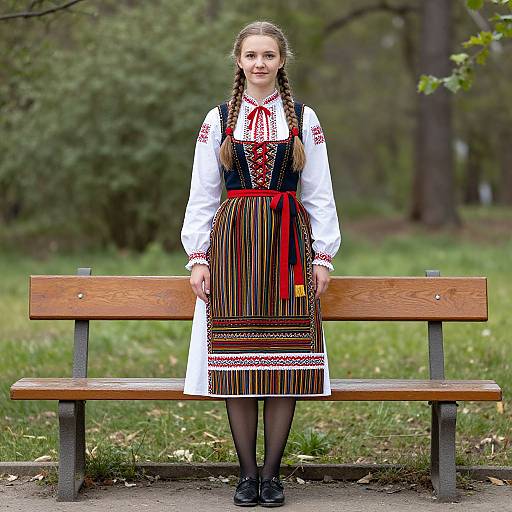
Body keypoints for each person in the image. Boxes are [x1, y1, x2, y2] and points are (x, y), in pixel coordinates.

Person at [180, 20, 341, 508]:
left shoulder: (303, 120)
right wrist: (197, 258)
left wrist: (324, 257)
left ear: (282, 61)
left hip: (289, 248)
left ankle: (273, 474)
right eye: (251, 55)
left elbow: (320, 193)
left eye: (268, 55)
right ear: (239, 61)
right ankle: (246, 475)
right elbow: (203, 194)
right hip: (233, 249)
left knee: (283, 360)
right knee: (238, 359)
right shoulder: (220, 118)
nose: (259, 64)